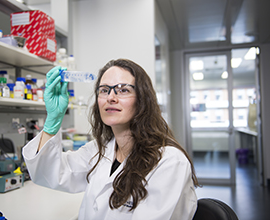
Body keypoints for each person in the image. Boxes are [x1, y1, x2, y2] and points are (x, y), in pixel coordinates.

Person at [22, 59, 199, 220]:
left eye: (123, 90)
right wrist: (52, 122)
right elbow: (48, 172)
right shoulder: (99, 150)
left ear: (142, 100)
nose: (111, 97)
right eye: (104, 90)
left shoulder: (169, 162)